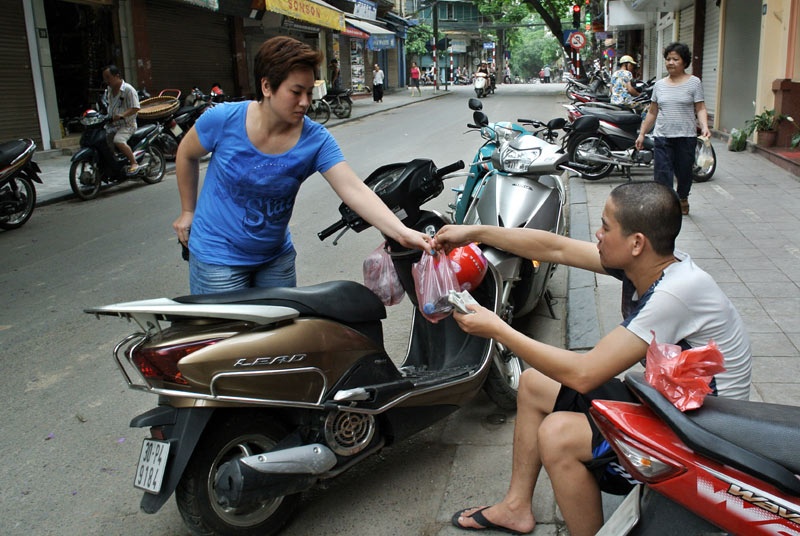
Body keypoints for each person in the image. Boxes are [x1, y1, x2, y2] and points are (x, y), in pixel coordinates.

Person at [434, 181, 752, 536]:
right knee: (534, 383)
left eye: (606, 226)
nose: (597, 235)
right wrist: (475, 233)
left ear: (636, 243)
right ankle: (516, 507)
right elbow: (553, 247)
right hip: (673, 408)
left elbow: (584, 374)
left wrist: (497, 329)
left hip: (703, 441)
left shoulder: (674, 294)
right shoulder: (649, 266)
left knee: (557, 436)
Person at [172, 36, 430, 294]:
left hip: (274, 260)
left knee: (281, 334)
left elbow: (354, 189)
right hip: (218, 259)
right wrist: (187, 211)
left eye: (309, 92)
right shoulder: (224, 119)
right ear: (266, 86)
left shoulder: (315, 138)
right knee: (229, 335)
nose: (305, 102)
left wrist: (401, 232)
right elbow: (186, 153)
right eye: (296, 92)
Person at [635, 42, 711, 216]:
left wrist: (705, 126)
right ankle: (666, 205)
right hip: (663, 136)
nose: (670, 62)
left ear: (684, 62)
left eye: (675, 59)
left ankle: (682, 197)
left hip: (686, 136)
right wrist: (642, 134)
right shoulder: (660, 85)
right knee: (662, 173)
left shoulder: (694, 83)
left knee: (684, 172)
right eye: (668, 59)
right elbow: (652, 112)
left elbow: (700, 107)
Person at [102, 65, 140, 174]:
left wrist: (122, 115)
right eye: (105, 78)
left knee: (118, 140)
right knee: (103, 140)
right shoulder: (109, 90)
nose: (106, 81)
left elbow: (136, 107)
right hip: (113, 125)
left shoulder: (128, 89)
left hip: (128, 125)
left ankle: (134, 162)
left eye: (108, 77)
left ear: (117, 76)